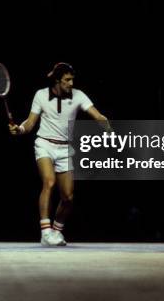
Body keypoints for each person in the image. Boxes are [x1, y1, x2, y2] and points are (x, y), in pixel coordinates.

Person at [9, 63, 110, 247]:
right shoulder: (40, 95)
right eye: (67, 80)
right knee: (49, 182)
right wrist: (20, 129)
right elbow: (30, 123)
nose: (71, 83)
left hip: (65, 150)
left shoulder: (78, 95)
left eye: (72, 79)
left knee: (68, 197)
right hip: (44, 145)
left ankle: (56, 231)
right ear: (57, 80)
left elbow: (97, 115)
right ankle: (45, 232)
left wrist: (108, 127)